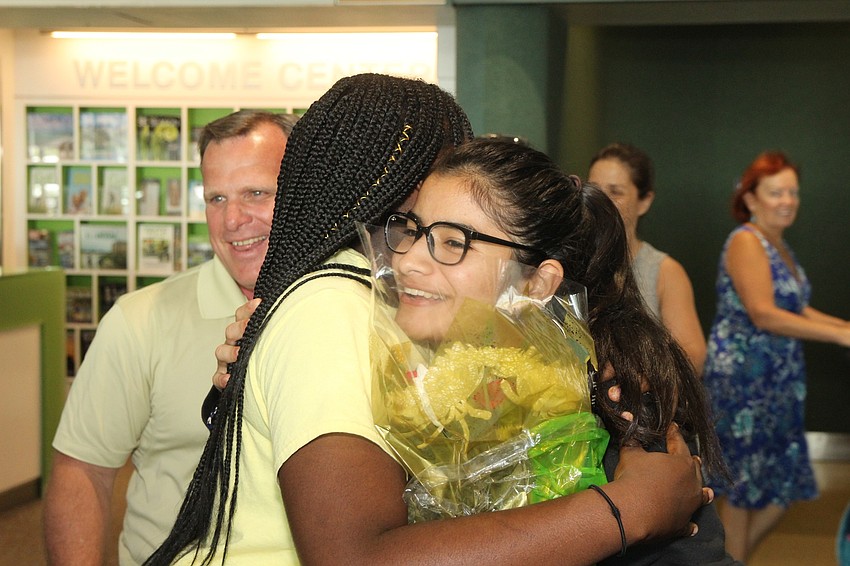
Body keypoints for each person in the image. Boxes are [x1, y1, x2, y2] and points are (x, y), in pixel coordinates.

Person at [147, 74, 711, 566]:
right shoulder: (337, 304)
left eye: (451, 238)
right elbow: (353, 554)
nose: (413, 253)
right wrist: (625, 510)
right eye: (417, 222)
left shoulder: (406, 308)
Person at [43, 109, 298, 565]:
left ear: (304, 192)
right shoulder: (139, 321)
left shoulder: (347, 308)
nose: (233, 219)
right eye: (216, 199)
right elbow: (82, 472)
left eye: (256, 193)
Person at [703, 150, 850, 562]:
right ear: (751, 199)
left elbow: (797, 307)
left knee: (776, 492)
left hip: (777, 386)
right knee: (743, 498)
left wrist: (843, 328)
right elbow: (765, 314)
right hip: (745, 388)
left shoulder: (778, 244)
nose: (788, 200)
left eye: (793, 192)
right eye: (776, 192)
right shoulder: (746, 241)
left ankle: (736, 559)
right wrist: (840, 338)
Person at [588, 143, 706, 374]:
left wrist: (636, 383)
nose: (602, 200)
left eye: (615, 192)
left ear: (645, 201)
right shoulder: (570, 261)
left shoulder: (664, 271)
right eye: (594, 189)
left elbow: (694, 355)